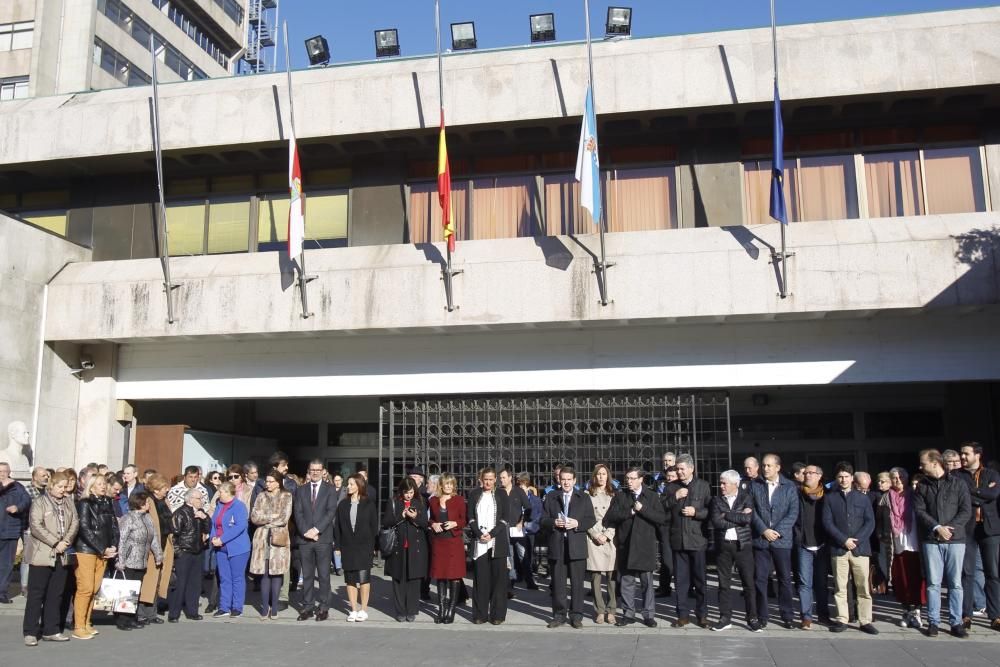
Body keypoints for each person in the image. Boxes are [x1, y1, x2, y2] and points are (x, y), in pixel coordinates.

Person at [913, 448, 972, 638]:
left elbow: (965, 510)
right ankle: (933, 622)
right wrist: (937, 527)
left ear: (935, 462)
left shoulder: (958, 483)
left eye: (923, 463)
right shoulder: (922, 485)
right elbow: (920, 511)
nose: (920, 466)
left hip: (956, 540)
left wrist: (949, 529)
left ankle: (956, 622)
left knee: (955, 583)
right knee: (933, 583)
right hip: (931, 539)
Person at [603, 465, 666, 627]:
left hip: (645, 546)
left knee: (647, 583)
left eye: (632, 478)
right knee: (627, 581)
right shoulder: (621, 496)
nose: (629, 482)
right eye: (627, 479)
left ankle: (648, 615)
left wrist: (643, 509)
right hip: (626, 545)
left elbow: (661, 518)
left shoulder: (651, 496)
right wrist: (629, 512)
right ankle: (628, 614)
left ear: (640, 479)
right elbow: (610, 517)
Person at [22, 469, 78, 645]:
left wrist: (66, 541)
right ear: (51, 486)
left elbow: (75, 522)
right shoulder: (40, 502)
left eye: (65, 486)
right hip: (42, 554)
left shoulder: (68, 502)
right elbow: (36, 526)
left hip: (62, 555)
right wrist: (55, 542)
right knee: (36, 594)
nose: (63, 490)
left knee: (56, 593)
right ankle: (30, 631)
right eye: (60, 486)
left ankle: (51, 629)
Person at [822, 462, 878, 635]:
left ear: (852, 478)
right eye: (840, 476)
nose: (843, 479)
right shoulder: (830, 498)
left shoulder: (863, 498)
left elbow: (870, 522)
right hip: (839, 549)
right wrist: (843, 540)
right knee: (840, 586)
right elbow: (827, 522)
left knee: (863, 587)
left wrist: (857, 540)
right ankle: (842, 619)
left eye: (846, 476)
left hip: (860, 549)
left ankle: (865, 620)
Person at [540, 465, 595, 629]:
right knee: (558, 583)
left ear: (574, 480)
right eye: (563, 479)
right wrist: (553, 522)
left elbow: (591, 519)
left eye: (569, 479)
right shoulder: (551, 496)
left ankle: (576, 615)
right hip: (557, 544)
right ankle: (559, 614)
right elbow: (542, 520)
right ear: (559, 479)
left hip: (576, 545)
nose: (566, 482)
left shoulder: (583, 497)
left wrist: (577, 523)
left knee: (577, 583)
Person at [750, 453, 799, 629]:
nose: (765, 468)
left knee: (785, 579)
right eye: (763, 465)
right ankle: (762, 615)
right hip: (761, 540)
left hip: (782, 541)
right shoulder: (755, 485)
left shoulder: (789, 486)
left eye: (769, 465)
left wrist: (776, 531)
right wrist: (764, 530)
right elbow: (751, 510)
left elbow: (793, 512)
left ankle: (787, 615)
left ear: (778, 467)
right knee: (760, 579)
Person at [664, 453, 712, 627]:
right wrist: (675, 497)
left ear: (691, 469)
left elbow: (710, 511)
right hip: (678, 540)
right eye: (677, 469)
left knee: (700, 581)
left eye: (682, 469)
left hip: (697, 540)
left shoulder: (703, 486)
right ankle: (682, 615)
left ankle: (702, 615)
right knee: (681, 581)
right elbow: (662, 509)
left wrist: (696, 513)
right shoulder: (671, 488)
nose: (680, 472)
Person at [958, 442, 1000, 632]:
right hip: (968, 529)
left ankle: (995, 615)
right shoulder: (958, 476)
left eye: (966, 454)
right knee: (967, 573)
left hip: (990, 528)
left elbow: (993, 494)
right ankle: (966, 614)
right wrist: (982, 494)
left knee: (992, 573)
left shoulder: (992, 474)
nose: (963, 457)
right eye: (962, 454)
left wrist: (974, 492)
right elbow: (962, 497)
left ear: (978, 455)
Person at [710, 469, 758, 632]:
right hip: (724, 545)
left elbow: (747, 520)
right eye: (721, 482)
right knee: (724, 583)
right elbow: (717, 522)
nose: (721, 486)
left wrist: (727, 514)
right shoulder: (716, 500)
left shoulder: (746, 498)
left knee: (748, 583)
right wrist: (737, 516)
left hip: (743, 545)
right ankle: (725, 617)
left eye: (725, 483)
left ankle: (752, 617)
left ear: (735, 484)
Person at [879, 467, 926, 629]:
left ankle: (917, 613)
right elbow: (881, 522)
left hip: (915, 545)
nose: (897, 480)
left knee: (917, 581)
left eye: (901, 477)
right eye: (894, 478)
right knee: (901, 581)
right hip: (896, 546)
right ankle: (906, 611)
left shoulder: (915, 497)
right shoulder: (885, 498)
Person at [72, 472, 118, 639]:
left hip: (104, 552)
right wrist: (101, 548)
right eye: (99, 483)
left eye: (104, 483)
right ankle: (78, 625)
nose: (103, 486)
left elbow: (113, 526)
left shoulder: (108, 502)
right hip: (87, 550)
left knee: (95, 589)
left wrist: (113, 545)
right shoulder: (84, 503)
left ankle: (87, 622)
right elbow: (84, 529)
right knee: (85, 588)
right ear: (91, 487)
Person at [293, 459, 338, 621]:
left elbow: (330, 512)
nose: (315, 472)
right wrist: (306, 531)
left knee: (324, 575)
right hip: (305, 539)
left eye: (318, 470)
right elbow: (297, 512)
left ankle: (324, 607)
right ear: (308, 470)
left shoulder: (330, 490)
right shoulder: (301, 489)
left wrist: (316, 529)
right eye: (312, 469)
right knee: (307, 575)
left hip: (322, 538)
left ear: (323, 471)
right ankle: (308, 606)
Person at [468, 466, 512, 625]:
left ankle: (497, 614)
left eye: (491, 479)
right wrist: (479, 534)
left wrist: (492, 534)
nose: (488, 482)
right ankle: (480, 614)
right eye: (485, 479)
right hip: (480, 543)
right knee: (481, 580)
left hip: (497, 542)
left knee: (499, 581)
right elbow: (470, 517)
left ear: (495, 480)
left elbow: (505, 518)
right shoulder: (474, 494)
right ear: (481, 479)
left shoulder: (501, 494)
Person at [382, 477, 428, 622]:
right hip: (398, 547)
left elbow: (425, 524)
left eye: (411, 492)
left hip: (416, 548)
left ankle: (412, 610)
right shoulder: (393, 502)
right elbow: (386, 522)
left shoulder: (420, 502)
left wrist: (415, 517)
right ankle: (401, 611)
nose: (409, 495)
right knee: (399, 579)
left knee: (414, 580)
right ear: (401, 491)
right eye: (406, 492)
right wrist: (400, 516)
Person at [115, 491, 162, 631]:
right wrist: (120, 560)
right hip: (129, 560)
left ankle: (132, 618)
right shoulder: (128, 518)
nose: (149, 504)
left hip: (142, 560)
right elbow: (121, 540)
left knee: (136, 591)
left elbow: (153, 538)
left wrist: (158, 555)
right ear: (140, 504)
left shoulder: (148, 518)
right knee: (126, 592)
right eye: (147, 502)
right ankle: (122, 620)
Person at [334, 473, 378, 622]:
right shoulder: (342, 505)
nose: (348, 487)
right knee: (350, 579)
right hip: (348, 546)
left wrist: (373, 546)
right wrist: (338, 546)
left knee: (364, 578)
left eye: (352, 484)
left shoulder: (369, 504)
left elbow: (374, 527)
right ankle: (353, 609)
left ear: (359, 486)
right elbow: (338, 527)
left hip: (364, 546)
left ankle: (363, 609)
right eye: (348, 484)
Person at [250, 469, 293, 620]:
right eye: (266, 481)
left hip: (279, 538)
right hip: (262, 538)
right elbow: (254, 516)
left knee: (277, 572)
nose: (267, 484)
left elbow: (284, 517)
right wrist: (270, 518)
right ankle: (264, 607)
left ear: (278, 482)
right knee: (265, 572)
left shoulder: (286, 496)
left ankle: (274, 607)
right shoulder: (261, 496)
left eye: (270, 481)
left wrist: (266, 519)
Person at [795, 464, 830, 629]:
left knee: (822, 583)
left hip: (822, 544)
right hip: (804, 544)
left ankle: (823, 614)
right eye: (805, 472)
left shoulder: (828, 495)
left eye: (811, 473)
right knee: (804, 583)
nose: (807, 475)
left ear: (819, 476)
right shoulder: (796, 493)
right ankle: (806, 617)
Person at [429, 472, 466, 624]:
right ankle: (441, 610)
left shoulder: (459, 500)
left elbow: (464, 520)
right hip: (439, 542)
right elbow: (430, 519)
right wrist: (433, 524)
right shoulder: (433, 501)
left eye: (451, 484)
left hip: (453, 542)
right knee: (441, 577)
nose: (449, 486)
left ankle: (451, 611)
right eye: (446, 484)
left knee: (454, 577)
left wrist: (455, 524)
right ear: (441, 485)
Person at [168, 487, 209, 623]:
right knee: (180, 583)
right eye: (198, 498)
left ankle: (192, 611)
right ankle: (174, 613)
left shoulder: (200, 512)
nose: (201, 501)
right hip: (184, 552)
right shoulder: (180, 513)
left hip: (197, 551)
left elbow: (208, 528)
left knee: (195, 584)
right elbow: (174, 535)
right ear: (190, 499)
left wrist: (205, 518)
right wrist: (178, 552)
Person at [211, 481, 251, 618]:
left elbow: (239, 526)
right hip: (220, 548)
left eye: (220, 492)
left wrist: (222, 539)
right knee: (224, 578)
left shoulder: (239, 506)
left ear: (228, 493)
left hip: (237, 548)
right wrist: (213, 538)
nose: (218, 494)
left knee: (237, 578)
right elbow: (214, 524)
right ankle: (224, 607)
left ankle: (237, 607)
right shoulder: (219, 505)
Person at [137, 474, 173, 626]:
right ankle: (142, 613)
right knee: (148, 581)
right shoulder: (149, 501)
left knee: (158, 580)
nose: (167, 490)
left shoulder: (164, 501)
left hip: (165, 544)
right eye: (164, 488)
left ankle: (152, 613)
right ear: (156, 489)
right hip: (151, 546)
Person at [586, 464, 617, 624]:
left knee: (612, 576)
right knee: (596, 577)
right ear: (594, 476)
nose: (601, 477)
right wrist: (595, 534)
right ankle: (599, 610)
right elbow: (586, 517)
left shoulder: (614, 494)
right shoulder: (587, 494)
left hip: (610, 538)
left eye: (604, 474)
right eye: (598, 474)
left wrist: (607, 535)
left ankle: (612, 610)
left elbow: (617, 517)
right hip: (594, 538)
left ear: (608, 476)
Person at [498, 468, 531, 598]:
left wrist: (522, 521)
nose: (502, 480)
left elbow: (528, 508)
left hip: (517, 529)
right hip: (504, 529)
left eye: (504, 477)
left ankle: (529, 580)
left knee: (523, 555)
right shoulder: (499, 492)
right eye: (500, 478)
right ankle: (509, 585)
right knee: (509, 556)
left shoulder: (518, 491)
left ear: (510, 478)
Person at [0, 462, 30, 604]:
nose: (2, 473)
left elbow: (27, 500)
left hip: (10, 530)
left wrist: (17, 507)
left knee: (6, 565)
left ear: (9, 472)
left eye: (4, 471)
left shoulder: (17, 487)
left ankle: (2, 593)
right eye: (0, 471)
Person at [653, 452, 676, 597]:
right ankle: (664, 586)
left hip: (679, 522)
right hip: (665, 522)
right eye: (665, 460)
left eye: (670, 460)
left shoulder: (681, 478)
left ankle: (689, 587)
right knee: (666, 556)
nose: (667, 462)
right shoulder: (658, 479)